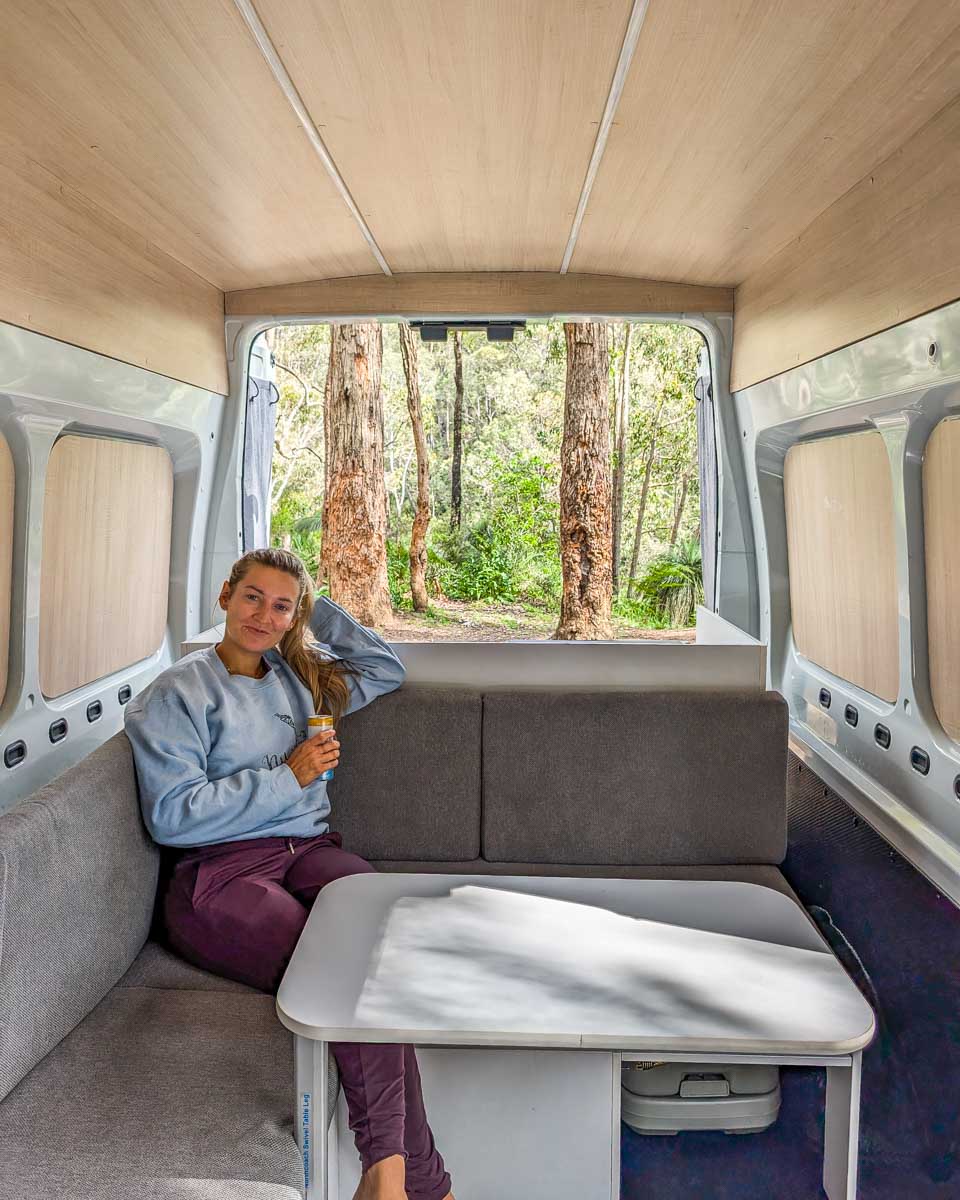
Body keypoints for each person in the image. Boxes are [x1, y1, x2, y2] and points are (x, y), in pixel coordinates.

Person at [124, 547, 453, 1200]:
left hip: (304, 850)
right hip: (217, 872)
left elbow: (384, 668)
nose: (263, 616)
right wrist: (288, 776)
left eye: (280, 606)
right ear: (225, 596)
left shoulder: (296, 676)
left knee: (379, 931)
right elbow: (172, 816)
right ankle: (406, 1176)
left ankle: (400, 1178)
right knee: (345, 968)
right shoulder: (175, 695)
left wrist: (312, 610)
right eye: (252, 597)